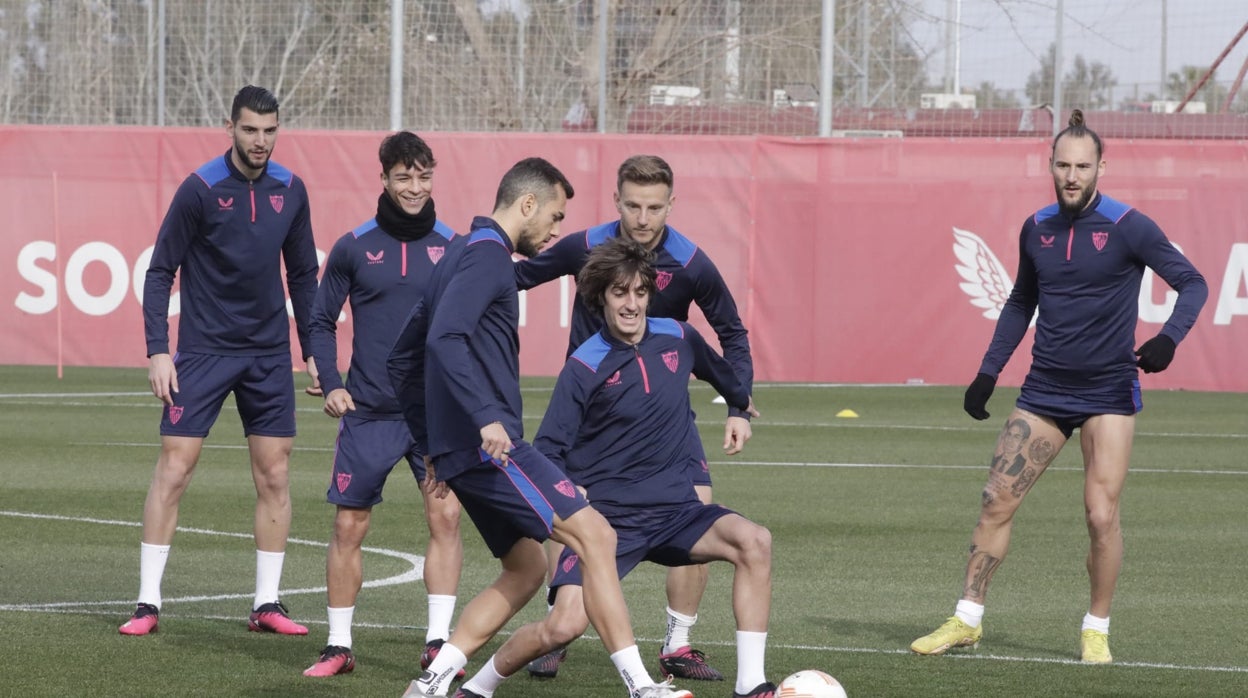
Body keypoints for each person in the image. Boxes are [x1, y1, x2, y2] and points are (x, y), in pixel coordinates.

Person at [910, 109, 1208, 664]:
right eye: (1064, 165)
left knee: (1100, 515)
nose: (1072, 176)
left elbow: (1193, 283)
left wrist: (1168, 339)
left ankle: (1096, 627)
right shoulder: (1036, 227)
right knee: (996, 500)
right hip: (1044, 391)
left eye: (1083, 167)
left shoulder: (1129, 226)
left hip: (1109, 394)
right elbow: (1022, 301)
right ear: (1050, 165)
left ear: (1101, 167)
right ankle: (966, 619)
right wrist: (987, 372)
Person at [388, 157, 692, 698]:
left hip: (460, 451)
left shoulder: (457, 251)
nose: (555, 231)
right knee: (596, 533)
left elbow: (402, 359)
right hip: (491, 449)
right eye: (554, 216)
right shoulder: (488, 258)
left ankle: (438, 684)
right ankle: (642, 686)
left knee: (526, 569)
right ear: (527, 205)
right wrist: (485, 418)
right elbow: (442, 342)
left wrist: (432, 446)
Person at [454, 237, 774, 698]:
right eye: (620, 293)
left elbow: (725, 377)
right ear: (600, 296)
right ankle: (479, 687)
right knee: (561, 627)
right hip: (608, 524)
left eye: (640, 292)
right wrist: (571, 491)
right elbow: (547, 449)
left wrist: (739, 411)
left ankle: (751, 686)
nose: (631, 304)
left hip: (677, 513)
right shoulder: (584, 366)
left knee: (755, 541)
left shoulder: (679, 336)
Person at [514, 154, 754, 681]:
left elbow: (731, 332)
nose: (643, 218)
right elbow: (518, 277)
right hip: (592, 414)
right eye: (633, 205)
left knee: (701, 505)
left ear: (671, 204)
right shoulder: (584, 245)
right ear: (616, 201)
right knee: (574, 508)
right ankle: (560, 624)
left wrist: (739, 405)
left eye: (654, 207)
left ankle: (678, 644)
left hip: (664, 408)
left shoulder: (690, 261)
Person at [122, 85, 320, 636]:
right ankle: (146, 603)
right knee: (175, 468)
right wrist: (159, 349)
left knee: (275, 474)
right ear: (229, 127)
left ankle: (267, 604)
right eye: (251, 130)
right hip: (203, 352)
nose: (261, 141)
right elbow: (160, 270)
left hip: (267, 355)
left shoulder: (292, 190)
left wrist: (314, 351)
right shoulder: (200, 189)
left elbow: (303, 276)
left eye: (270, 130)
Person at [302, 132, 465, 677]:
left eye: (423, 176)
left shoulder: (455, 246)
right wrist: (330, 380)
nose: (414, 187)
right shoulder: (353, 246)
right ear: (385, 179)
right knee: (350, 527)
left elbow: (475, 326)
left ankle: (439, 643)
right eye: (403, 177)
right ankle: (339, 645)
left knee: (445, 517)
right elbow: (321, 320)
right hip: (368, 410)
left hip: (434, 415)